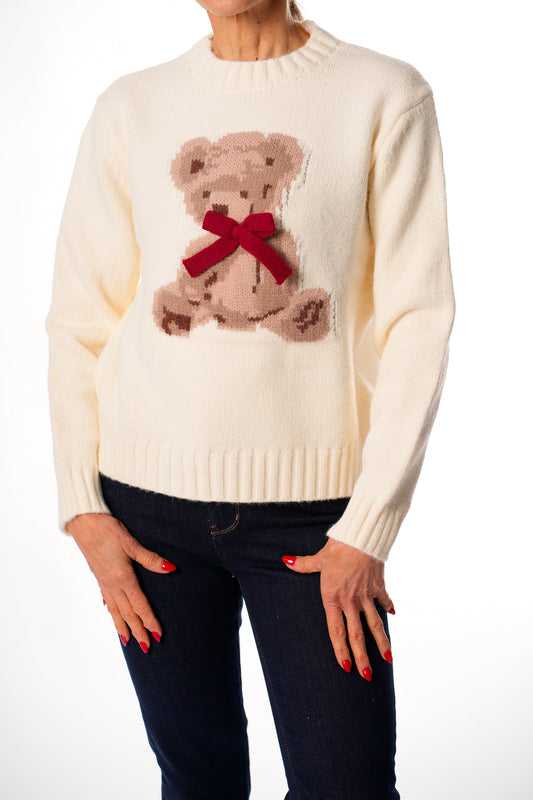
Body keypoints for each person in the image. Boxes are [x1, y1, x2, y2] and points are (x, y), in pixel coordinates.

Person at [44, 0, 456, 798]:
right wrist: (81, 508)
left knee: (346, 785)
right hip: (145, 516)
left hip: (317, 527)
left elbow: (419, 321)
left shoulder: (384, 94)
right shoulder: (131, 106)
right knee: (196, 782)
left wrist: (368, 526)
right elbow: (79, 320)